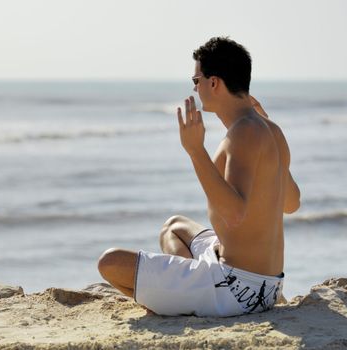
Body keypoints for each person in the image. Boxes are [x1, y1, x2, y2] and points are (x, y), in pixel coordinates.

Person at [97, 37, 301, 317]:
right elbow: (291, 203)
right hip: (269, 285)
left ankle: (183, 297)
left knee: (110, 262)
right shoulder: (268, 129)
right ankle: (184, 283)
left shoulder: (243, 134)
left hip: (238, 289)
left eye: (197, 79)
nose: (194, 87)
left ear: (214, 83)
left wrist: (195, 151)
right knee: (173, 227)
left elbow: (234, 214)